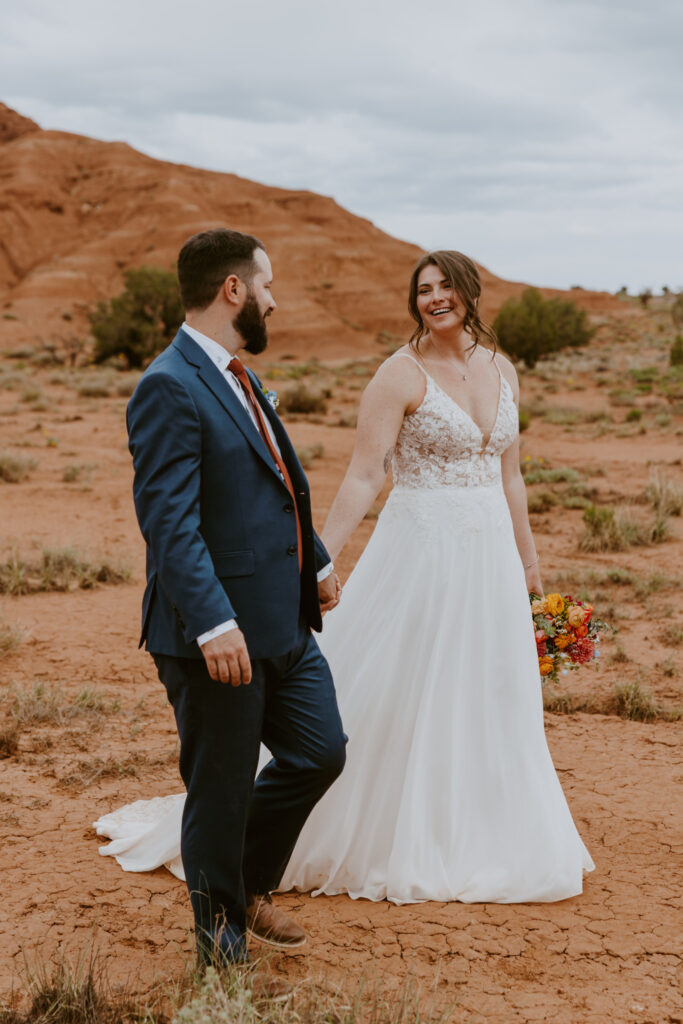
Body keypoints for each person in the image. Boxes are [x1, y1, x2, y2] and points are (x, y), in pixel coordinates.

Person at [97, 249, 594, 906]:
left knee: (489, 685)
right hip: (420, 548)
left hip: (490, 556)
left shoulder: (502, 368)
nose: (434, 297)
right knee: (399, 683)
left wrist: (529, 565)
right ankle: (338, 842)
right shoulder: (397, 373)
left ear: (471, 292)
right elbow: (365, 474)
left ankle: (484, 828)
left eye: (446, 286)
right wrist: (316, 560)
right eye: (422, 289)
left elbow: (511, 475)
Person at [119, 227, 347, 965]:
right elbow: (169, 523)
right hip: (212, 635)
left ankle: (245, 884)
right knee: (217, 788)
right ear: (233, 290)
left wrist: (312, 561)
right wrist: (213, 621)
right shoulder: (169, 384)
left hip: (281, 621)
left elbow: (277, 484)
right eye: (267, 286)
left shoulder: (237, 375)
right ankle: (220, 949)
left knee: (320, 753)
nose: (273, 301)